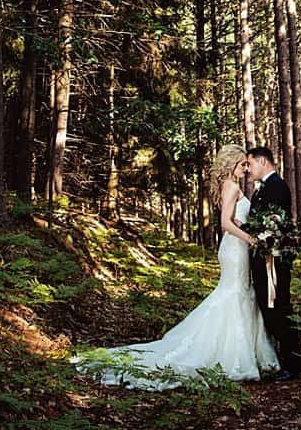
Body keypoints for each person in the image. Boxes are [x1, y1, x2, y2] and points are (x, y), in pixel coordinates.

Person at [71, 144, 279, 390]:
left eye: (247, 165)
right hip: (235, 249)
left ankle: (242, 353)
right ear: (231, 164)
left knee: (239, 293)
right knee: (233, 294)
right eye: (242, 164)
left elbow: (232, 218)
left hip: (236, 247)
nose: (246, 169)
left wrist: (242, 226)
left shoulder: (230, 186)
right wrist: (251, 239)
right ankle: (230, 356)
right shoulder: (232, 186)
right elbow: (224, 224)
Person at [246, 146, 301, 380]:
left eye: (250, 164)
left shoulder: (278, 186)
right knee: (269, 309)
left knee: (278, 308)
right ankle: (283, 359)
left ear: (262, 161)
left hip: (274, 260)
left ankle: (293, 364)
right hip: (263, 258)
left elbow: (276, 223)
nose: (248, 169)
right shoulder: (262, 189)